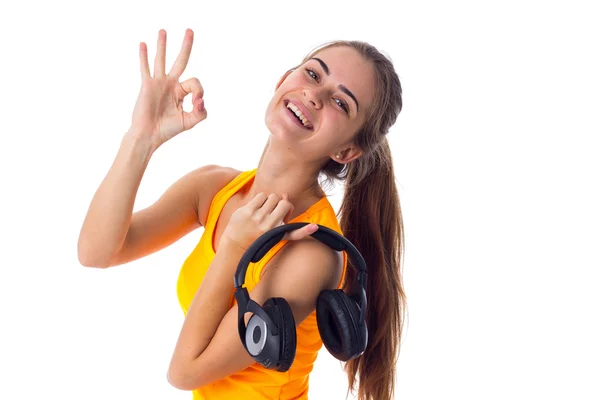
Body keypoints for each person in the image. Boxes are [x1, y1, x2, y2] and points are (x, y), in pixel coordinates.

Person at [78, 28, 406, 400]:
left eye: (340, 103)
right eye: (313, 74)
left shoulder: (312, 251)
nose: (313, 95)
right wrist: (141, 137)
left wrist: (235, 244)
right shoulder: (216, 188)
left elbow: (185, 371)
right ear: (284, 80)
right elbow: (98, 252)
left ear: (347, 151)